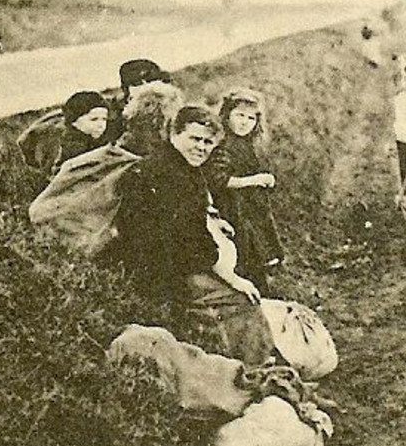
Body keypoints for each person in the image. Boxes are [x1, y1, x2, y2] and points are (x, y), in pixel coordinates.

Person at [106, 104, 271, 363]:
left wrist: (212, 223)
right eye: (194, 139)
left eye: (208, 143)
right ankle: (253, 367)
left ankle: (238, 354)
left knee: (235, 281)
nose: (201, 148)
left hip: (163, 261)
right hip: (159, 273)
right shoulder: (170, 174)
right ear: (174, 134)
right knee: (242, 298)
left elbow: (187, 223)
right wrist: (230, 277)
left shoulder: (177, 166)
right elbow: (190, 242)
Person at [206, 88, 285, 292]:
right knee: (240, 253)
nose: (244, 122)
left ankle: (260, 292)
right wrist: (255, 180)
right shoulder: (222, 143)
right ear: (227, 115)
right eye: (239, 115)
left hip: (247, 208)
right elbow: (218, 180)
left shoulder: (244, 143)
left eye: (250, 118)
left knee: (253, 253)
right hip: (231, 208)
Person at [105, 58, 172, 147]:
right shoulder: (116, 115)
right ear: (127, 89)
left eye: (151, 81)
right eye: (137, 84)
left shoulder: (169, 105)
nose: (147, 88)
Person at [52, 90, 110, 174]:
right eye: (94, 119)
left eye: (104, 119)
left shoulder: (97, 140)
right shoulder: (73, 145)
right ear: (74, 122)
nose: (101, 125)